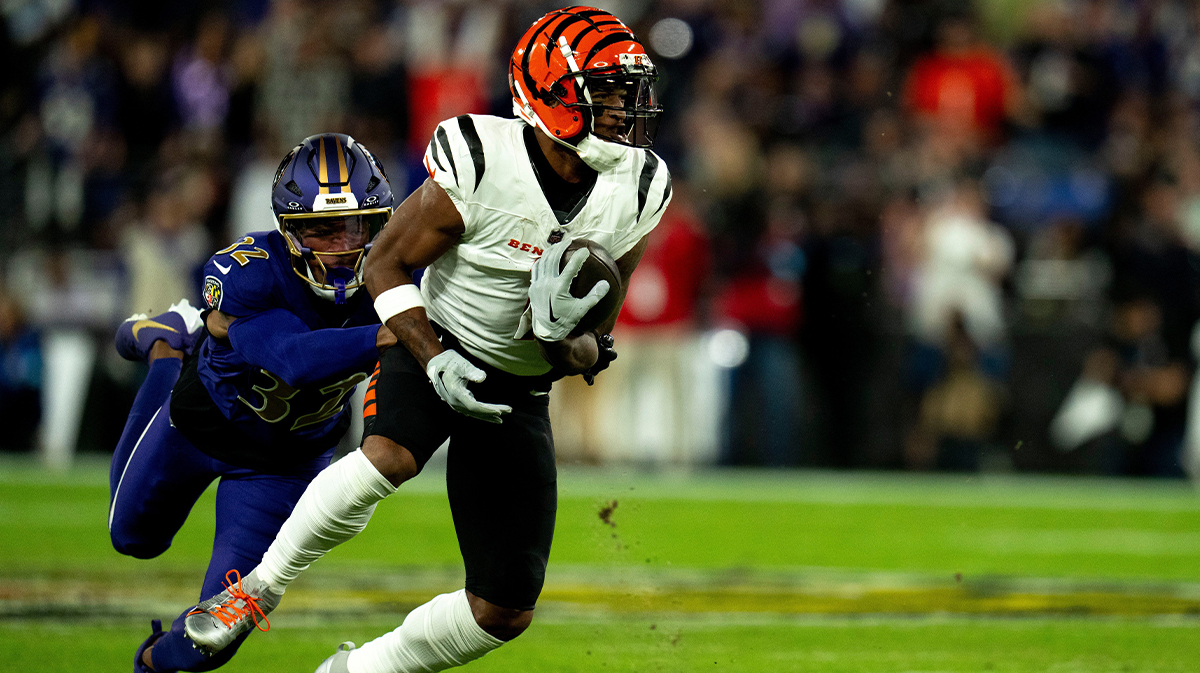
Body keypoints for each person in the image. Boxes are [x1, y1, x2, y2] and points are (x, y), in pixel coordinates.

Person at [183, 7, 672, 673]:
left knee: (504, 608)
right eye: (606, 91)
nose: (625, 108)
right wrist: (434, 357)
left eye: (626, 89)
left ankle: (359, 669)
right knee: (388, 455)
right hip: (432, 338)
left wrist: (562, 340)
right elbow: (384, 261)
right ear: (551, 93)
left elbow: (594, 347)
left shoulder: (638, 188)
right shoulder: (483, 160)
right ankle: (255, 591)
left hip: (517, 388)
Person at [108, 133, 396, 673]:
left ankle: (148, 665)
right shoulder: (249, 269)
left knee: (211, 640)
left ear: (381, 222)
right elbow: (292, 357)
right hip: (200, 427)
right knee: (131, 538)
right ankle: (167, 346)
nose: (339, 245)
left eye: (354, 225)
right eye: (320, 229)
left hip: (285, 464)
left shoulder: (401, 276)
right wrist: (393, 331)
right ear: (289, 231)